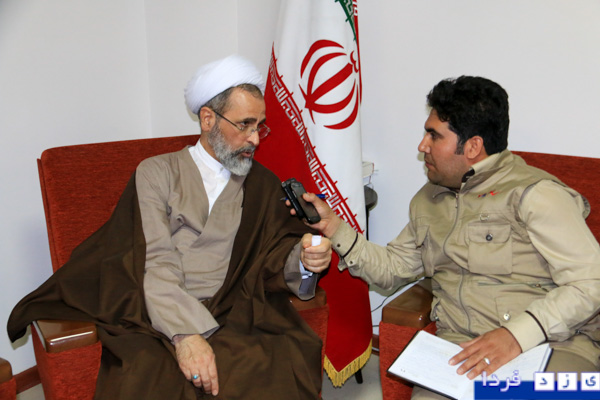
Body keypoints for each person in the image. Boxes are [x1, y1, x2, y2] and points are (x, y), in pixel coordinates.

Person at [8, 55, 331, 400]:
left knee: (274, 360)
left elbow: (274, 251)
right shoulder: (156, 173)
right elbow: (154, 257)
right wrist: (186, 334)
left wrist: (303, 259)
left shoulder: (262, 183)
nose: (255, 139)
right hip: (156, 310)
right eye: (244, 125)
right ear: (208, 119)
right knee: (147, 376)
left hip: (234, 307)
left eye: (259, 127)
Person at [297, 76, 600, 399]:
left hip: (550, 345)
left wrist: (515, 335)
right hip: (460, 352)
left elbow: (590, 282)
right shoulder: (429, 199)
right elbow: (392, 269)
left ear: (472, 146)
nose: (422, 146)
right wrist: (334, 227)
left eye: (434, 135)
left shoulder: (535, 195)